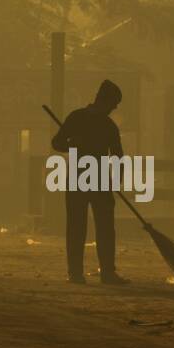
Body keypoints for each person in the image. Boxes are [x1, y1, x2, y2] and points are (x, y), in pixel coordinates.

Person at [51, 79, 130, 285]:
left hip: (100, 180)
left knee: (105, 227)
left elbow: (118, 156)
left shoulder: (108, 125)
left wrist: (116, 180)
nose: (114, 108)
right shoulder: (77, 118)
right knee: (78, 226)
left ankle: (107, 272)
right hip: (79, 179)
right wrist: (71, 145)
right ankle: (76, 273)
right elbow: (56, 142)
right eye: (113, 103)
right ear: (104, 100)